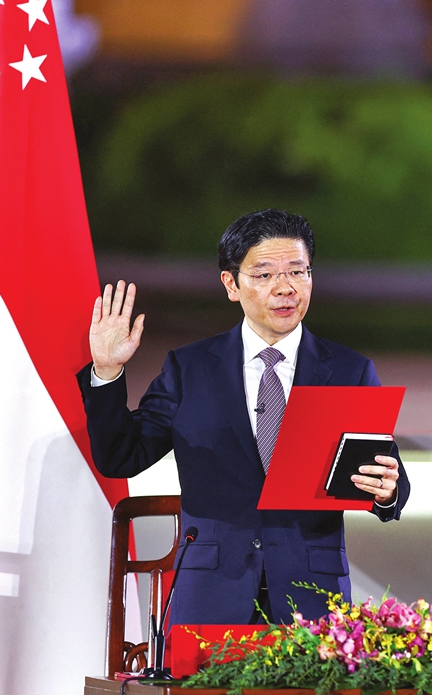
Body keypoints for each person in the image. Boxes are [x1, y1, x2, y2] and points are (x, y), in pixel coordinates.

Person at [78, 209, 411, 625]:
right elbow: (120, 457)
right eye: (265, 274)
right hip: (211, 595)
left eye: (298, 271)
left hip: (312, 599)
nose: (285, 288)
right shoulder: (190, 368)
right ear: (231, 284)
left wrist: (385, 491)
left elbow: (389, 481)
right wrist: (107, 372)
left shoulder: (349, 371)